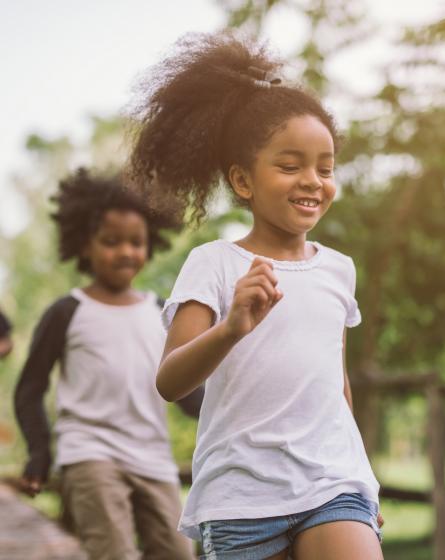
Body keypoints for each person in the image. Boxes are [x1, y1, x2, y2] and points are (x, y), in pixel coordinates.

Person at [127, 33, 384, 560]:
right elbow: (171, 381)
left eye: (325, 167)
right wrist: (231, 328)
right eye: (290, 166)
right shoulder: (214, 264)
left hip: (332, 485)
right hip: (241, 499)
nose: (312, 180)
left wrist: (362, 475)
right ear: (243, 180)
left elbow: (336, 385)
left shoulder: (339, 270)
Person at [14, 169, 200, 560]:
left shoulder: (160, 311)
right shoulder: (67, 312)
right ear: (85, 245)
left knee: (180, 552)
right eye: (111, 242)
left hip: (152, 455)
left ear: (150, 246)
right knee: (112, 552)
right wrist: (39, 452)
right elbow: (30, 389)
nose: (126, 252)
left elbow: (184, 391)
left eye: (136, 242)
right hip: (89, 453)